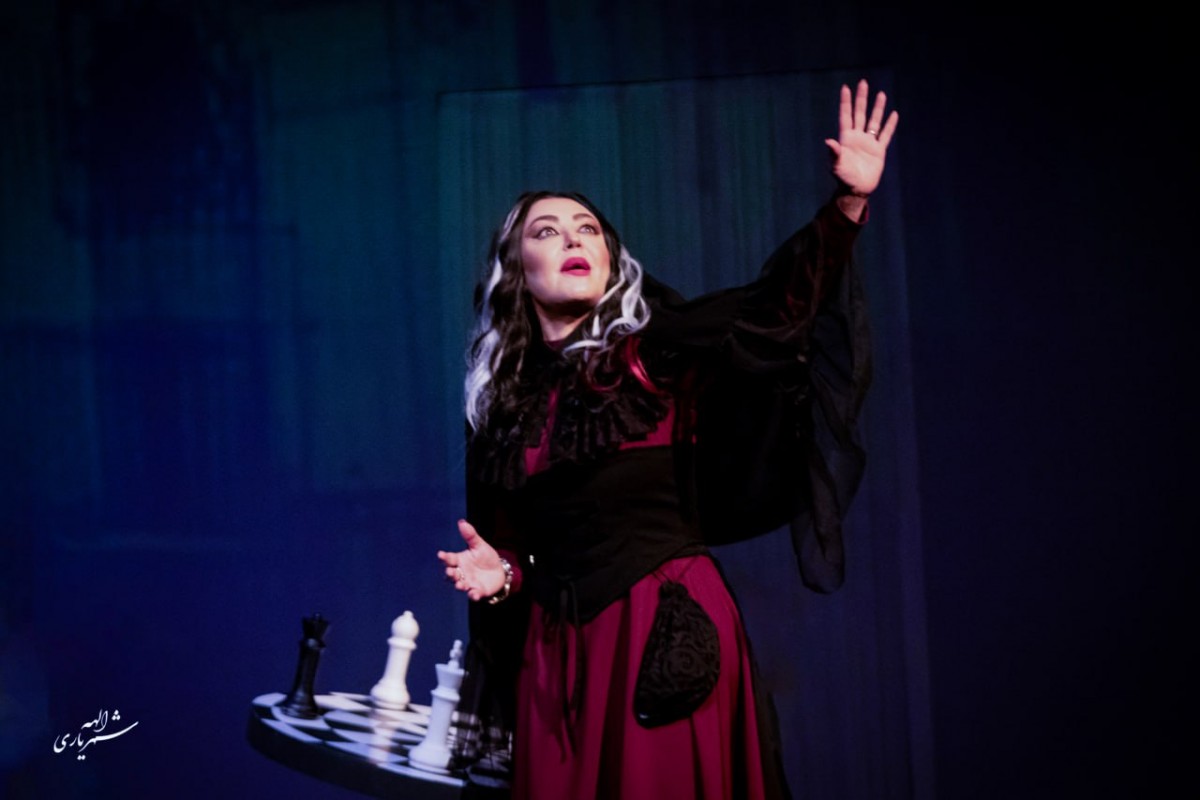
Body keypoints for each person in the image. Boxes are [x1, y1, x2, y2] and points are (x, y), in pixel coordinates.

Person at [437, 79, 898, 799]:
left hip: (659, 631)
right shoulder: (501, 410)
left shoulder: (652, 355)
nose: (574, 238)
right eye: (546, 231)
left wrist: (846, 206)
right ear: (515, 272)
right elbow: (522, 557)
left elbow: (775, 309)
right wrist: (505, 578)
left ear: (611, 260)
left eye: (588, 229)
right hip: (559, 661)